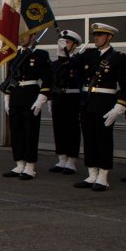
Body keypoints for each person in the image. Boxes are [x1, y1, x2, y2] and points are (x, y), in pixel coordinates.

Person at [70, 23, 126, 191]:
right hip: (88, 102)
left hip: (105, 103)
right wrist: (67, 52)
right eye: (95, 35)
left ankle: (103, 176)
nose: (96, 37)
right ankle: (92, 174)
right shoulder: (88, 55)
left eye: (100, 35)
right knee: (89, 139)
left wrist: (120, 105)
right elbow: (70, 66)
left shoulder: (118, 58)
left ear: (109, 37)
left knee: (103, 139)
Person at [2, 32, 52, 180]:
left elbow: (48, 78)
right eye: (20, 35)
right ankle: (19, 164)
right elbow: (10, 77)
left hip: (31, 94)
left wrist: (41, 98)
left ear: (33, 36)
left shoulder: (41, 54)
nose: (21, 38)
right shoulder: (15, 55)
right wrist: (7, 97)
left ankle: (30, 166)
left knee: (30, 131)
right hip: (16, 94)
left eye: (25, 35)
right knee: (16, 131)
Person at [49, 29, 83, 174]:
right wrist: (49, 99)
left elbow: (75, 71)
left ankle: (71, 161)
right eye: (62, 43)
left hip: (73, 98)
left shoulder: (79, 60)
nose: (64, 45)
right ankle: (61, 158)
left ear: (75, 45)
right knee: (59, 128)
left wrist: (66, 57)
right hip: (58, 97)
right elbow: (52, 81)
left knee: (72, 129)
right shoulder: (55, 63)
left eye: (68, 42)